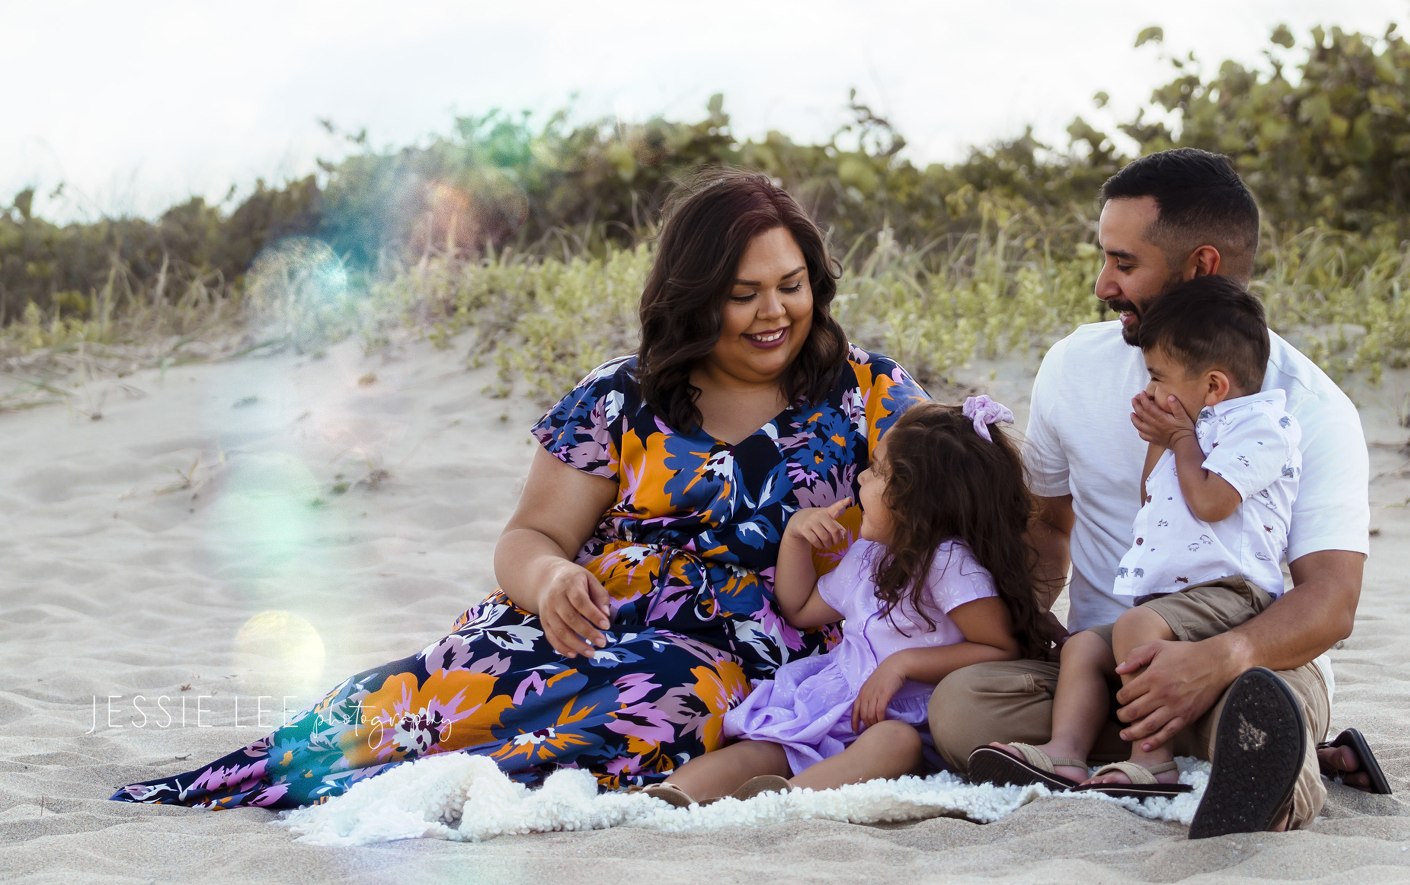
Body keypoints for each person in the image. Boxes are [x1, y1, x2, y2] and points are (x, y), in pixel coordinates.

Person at [111, 172, 929, 808]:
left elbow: (961, 498)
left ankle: (456, 792)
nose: (773, 312)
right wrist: (551, 581)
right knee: (417, 697)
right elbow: (528, 538)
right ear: (694, 296)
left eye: (791, 284)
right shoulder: (620, 395)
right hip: (586, 617)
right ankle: (355, 777)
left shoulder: (867, 392)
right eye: (742, 294)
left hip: (756, 654)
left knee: (655, 701)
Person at [928, 148, 1372, 837]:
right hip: (1107, 665)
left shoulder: (1307, 407)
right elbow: (1049, 524)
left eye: (1124, 263)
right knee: (961, 707)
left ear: (1201, 267)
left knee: (1258, 705)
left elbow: (1332, 600)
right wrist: (1026, 620)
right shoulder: (1074, 365)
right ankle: (1194, 755)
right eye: (1104, 259)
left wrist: (1217, 659)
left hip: (1246, 662)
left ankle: (1262, 761)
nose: (1104, 284)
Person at [968, 276, 1302, 814]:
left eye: (1158, 377)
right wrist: (1163, 442)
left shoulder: (1261, 427)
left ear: (1214, 386)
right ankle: (1066, 753)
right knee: (1084, 647)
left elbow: (1211, 501)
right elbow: (1155, 495)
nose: (1147, 391)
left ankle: (1154, 758)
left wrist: (1178, 440)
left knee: (1135, 628)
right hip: (1177, 601)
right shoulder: (1187, 429)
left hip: (1233, 592)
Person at [643, 399, 1049, 806]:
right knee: (766, 749)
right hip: (837, 703)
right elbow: (800, 609)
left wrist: (904, 664)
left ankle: (785, 801)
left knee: (894, 742)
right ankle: (665, 798)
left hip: (904, 718)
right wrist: (796, 539)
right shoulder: (869, 557)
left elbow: (999, 648)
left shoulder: (948, 564)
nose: (861, 477)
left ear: (914, 499)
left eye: (877, 471)